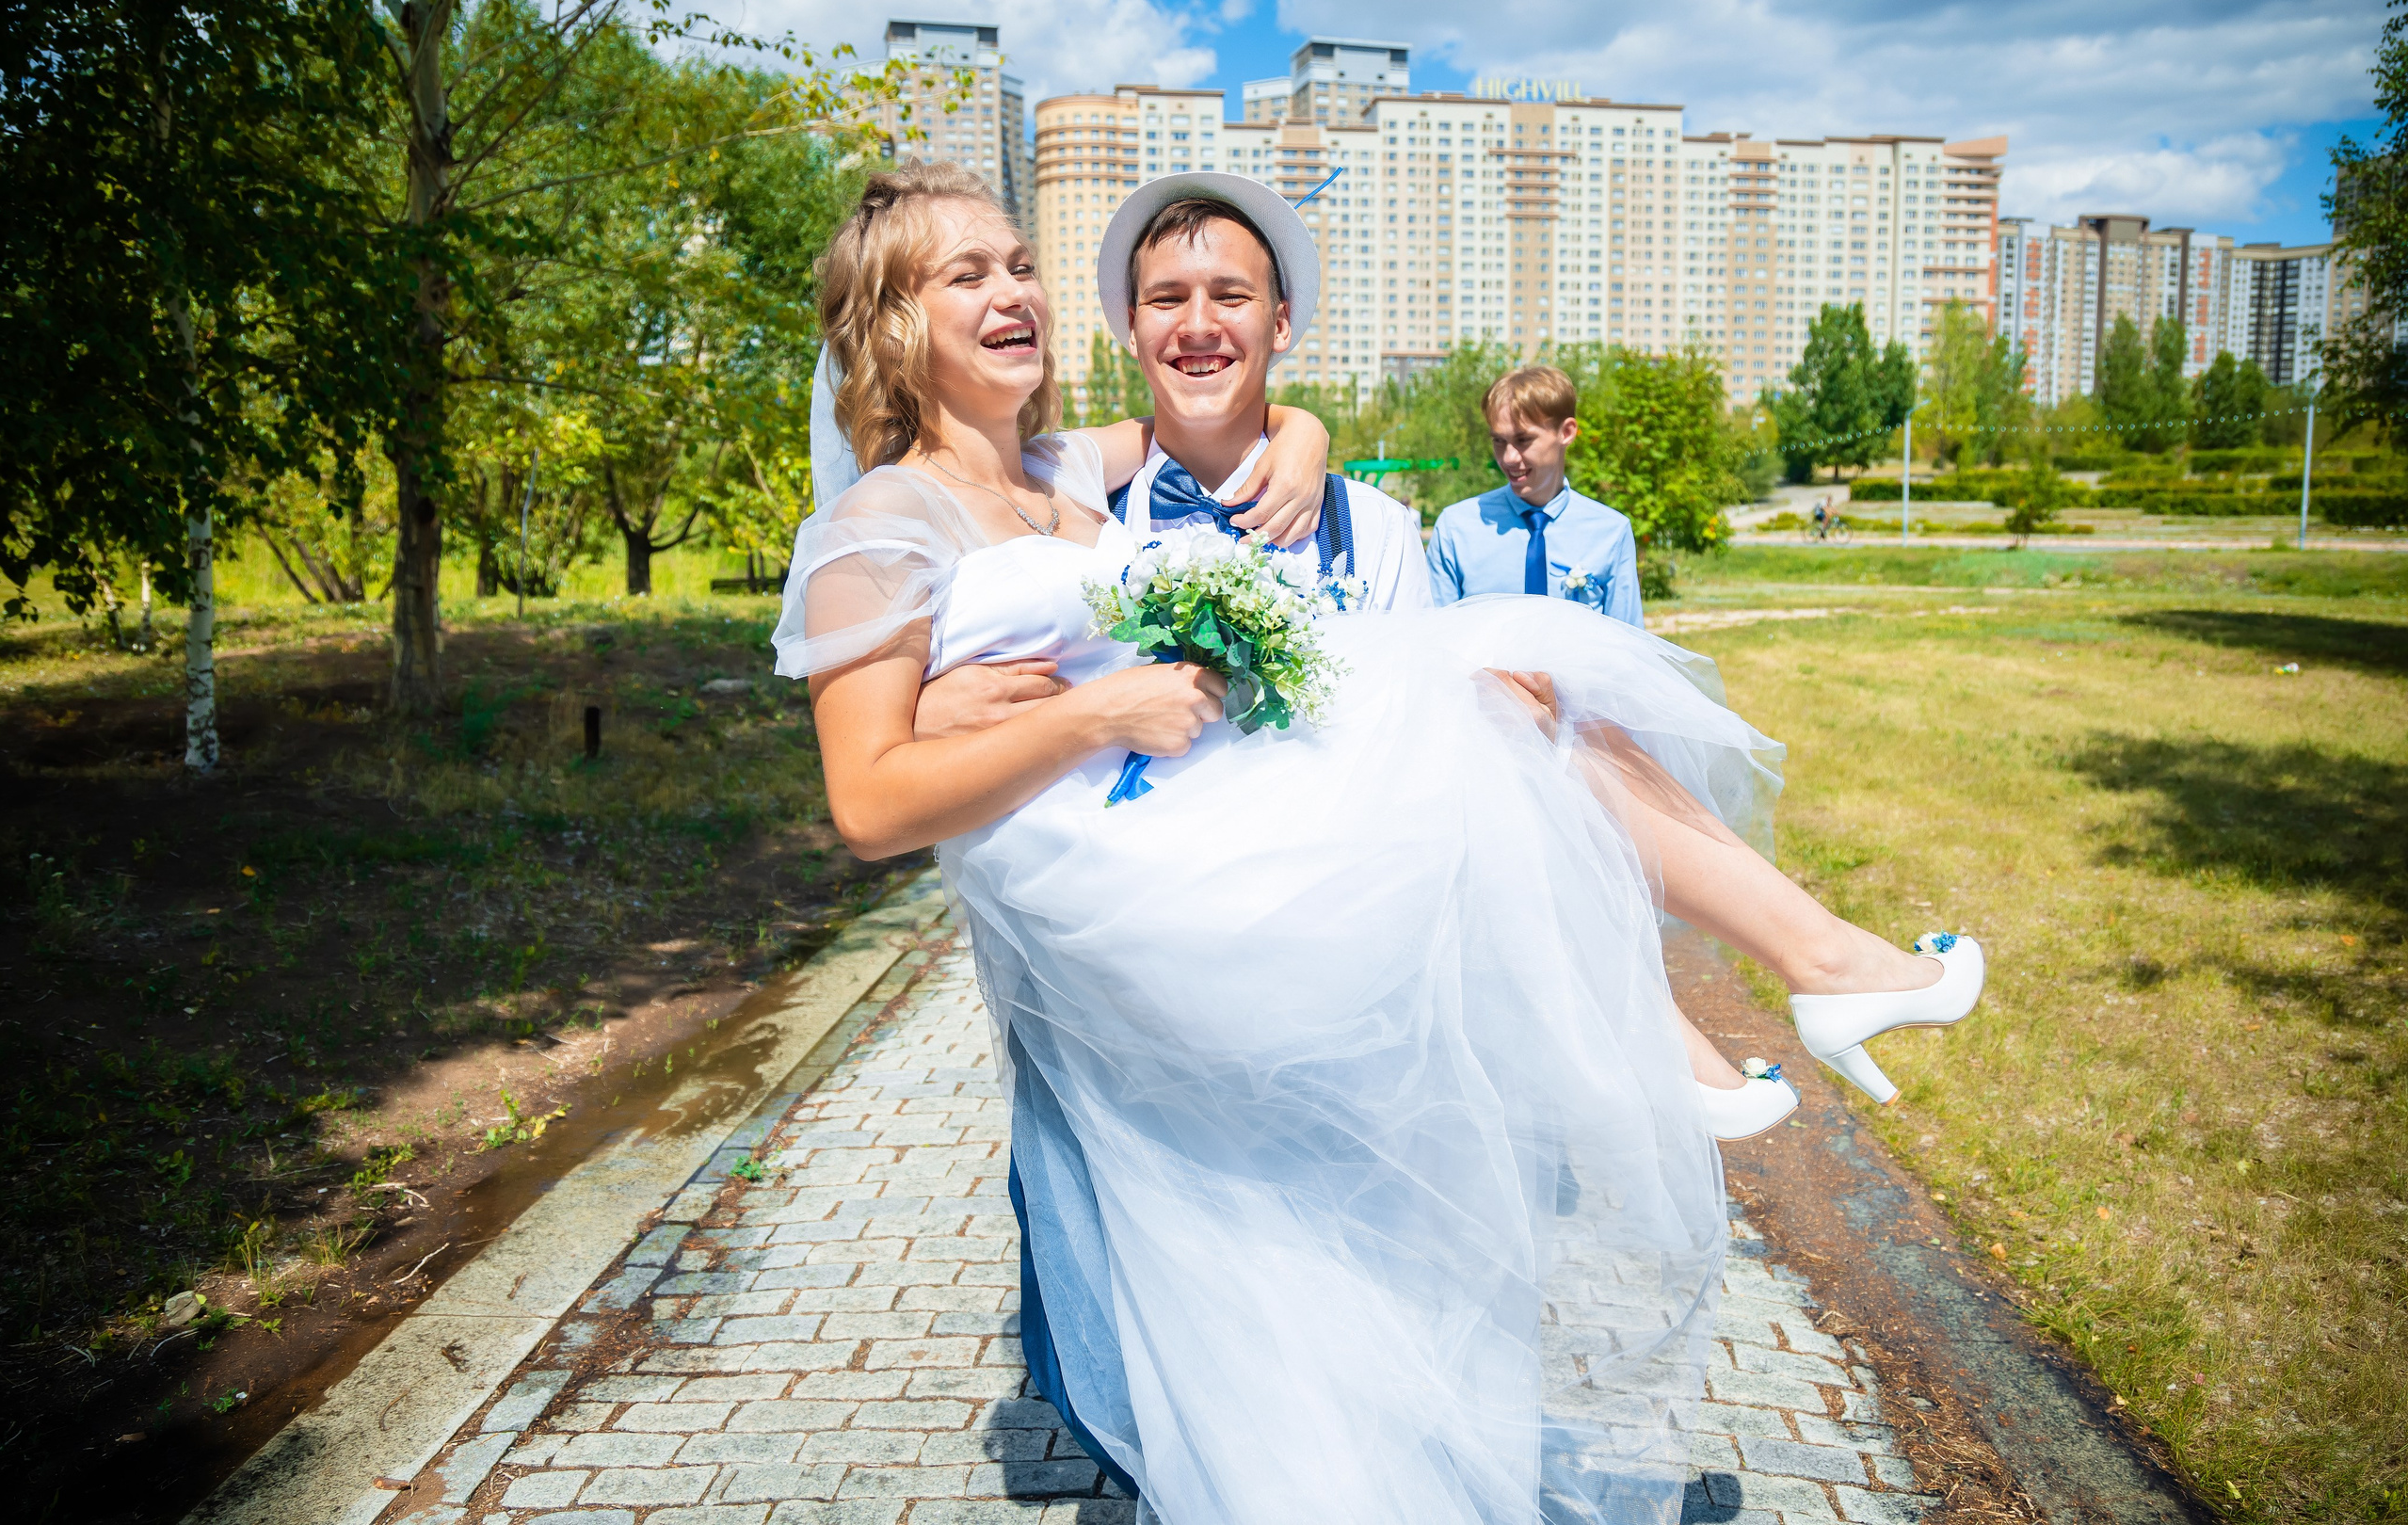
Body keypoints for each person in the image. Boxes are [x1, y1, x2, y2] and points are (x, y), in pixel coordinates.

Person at [776, 161, 1983, 1524]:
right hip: (1135, 876)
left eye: (1017, 264)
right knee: (1496, 705)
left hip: (1182, 819)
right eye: (966, 274)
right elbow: (867, 804)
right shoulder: (880, 520)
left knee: (1518, 697)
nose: (1013, 292)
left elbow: (1227, 408)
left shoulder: (1054, 471)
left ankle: (1779, 981)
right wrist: (1088, 712)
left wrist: (1300, 436)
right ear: (894, 321)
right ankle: (1729, 1003)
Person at [1427, 364, 1642, 623]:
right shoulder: (1456, 528)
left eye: (1523, 440)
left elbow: (1628, 642)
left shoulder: (1610, 532)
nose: (1508, 458)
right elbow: (1435, 637)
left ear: (1567, 432)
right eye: (1498, 441)